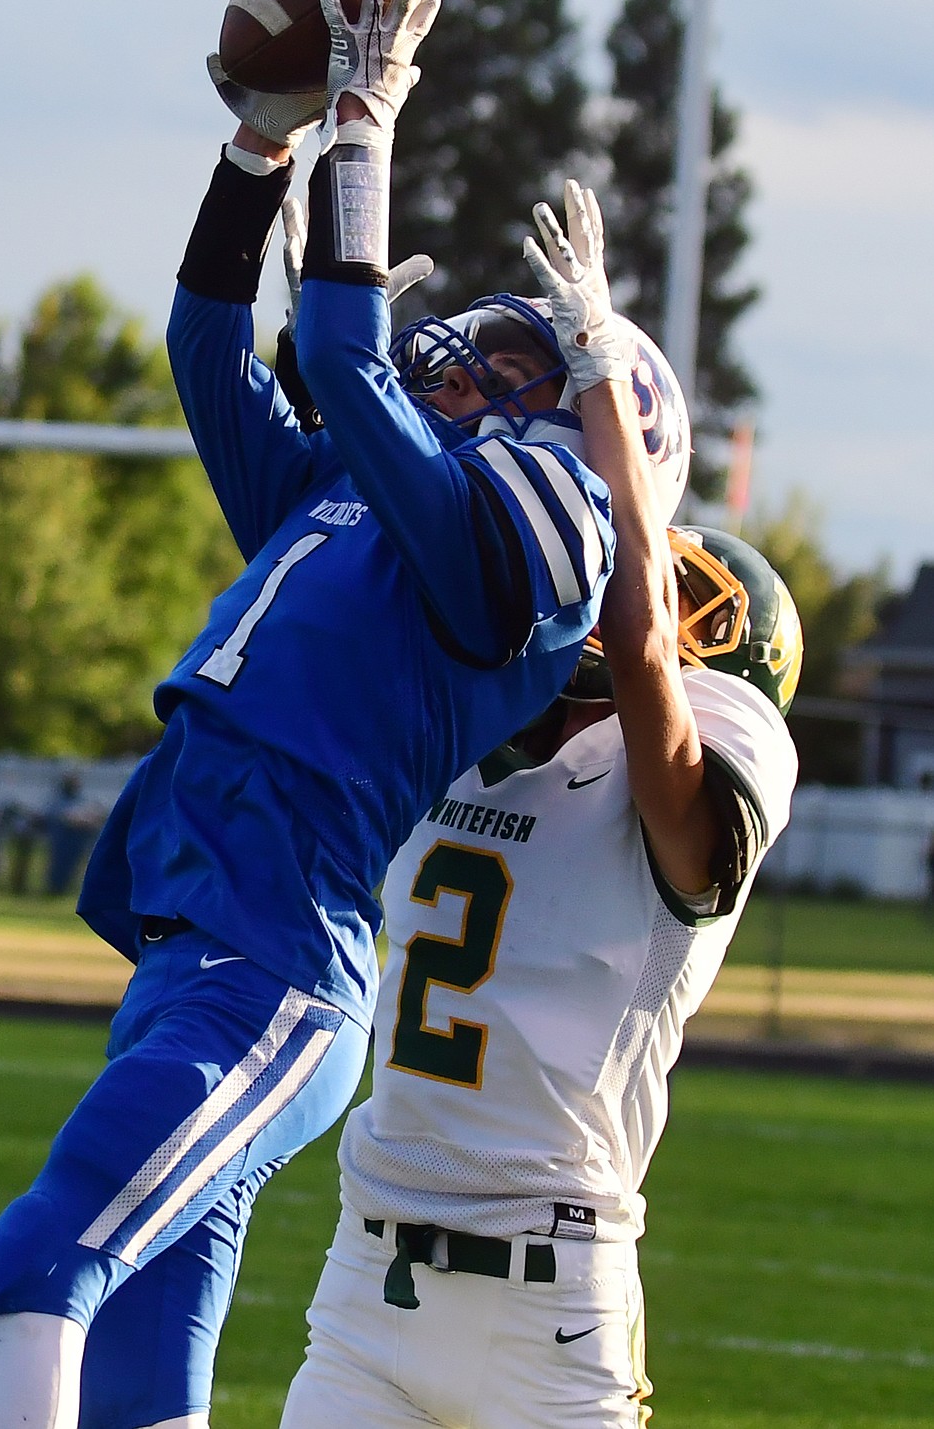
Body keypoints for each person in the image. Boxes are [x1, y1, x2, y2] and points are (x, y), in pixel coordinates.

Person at [0, 0, 621, 1429]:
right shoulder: (347, 501)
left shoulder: (522, 549)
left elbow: (336, 337)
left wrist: (365, 117)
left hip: (269, 970)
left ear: (590, 421)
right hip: (187, 944)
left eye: (510, 360)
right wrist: (259, 148)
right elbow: (208, 345)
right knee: (144, 1368)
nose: (459, 359)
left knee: (35, 1262)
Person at [278, 183, 803, 1429]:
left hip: (551, 1303)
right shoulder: (465, 712)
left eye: (691, 610)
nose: (646, 600)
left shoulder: (707, 752)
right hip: (368, 1278)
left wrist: (605, 391)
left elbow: (639, 652)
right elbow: (359, 551)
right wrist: (342, 365)